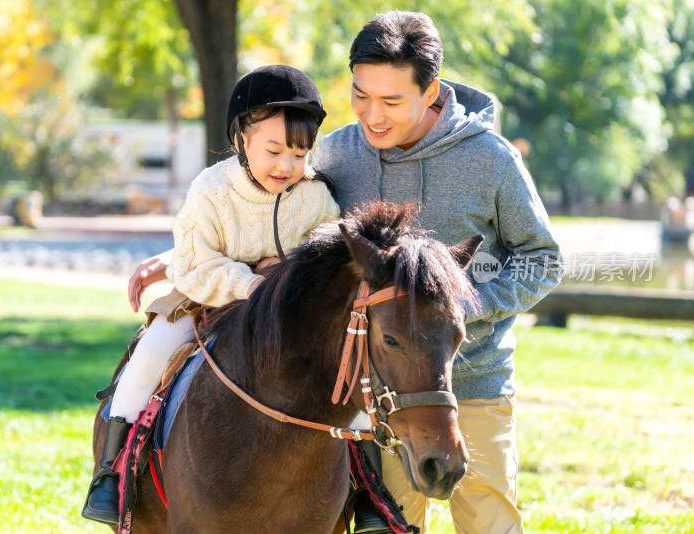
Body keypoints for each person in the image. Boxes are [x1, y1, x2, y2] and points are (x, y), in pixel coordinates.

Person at [311, 11, 562, 534]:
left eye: (392, 101)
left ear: (430, 93)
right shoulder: (335, 154)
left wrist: (461, 306)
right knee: (391, 525)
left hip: (474, 382)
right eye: (361, 95)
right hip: (381, 395)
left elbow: (543, 257)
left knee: (490, 524)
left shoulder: (491, 160)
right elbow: (284, 226)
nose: (371, 115)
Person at [81, 64, 340, 526]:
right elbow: (197, 264)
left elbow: (328, 259)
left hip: (290, 317)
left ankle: (368, 486)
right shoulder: (212, 190)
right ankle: (113, 472)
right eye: (274, 150)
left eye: (300, 154)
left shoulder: (317, 197)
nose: (287, 166)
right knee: (149, 356)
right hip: (206, 302)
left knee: (342, 376)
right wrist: (257, 284)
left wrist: (289, 279)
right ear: (241, 141)